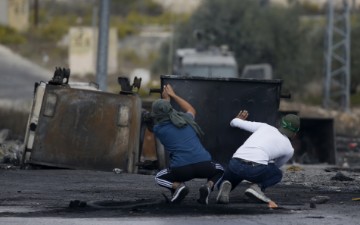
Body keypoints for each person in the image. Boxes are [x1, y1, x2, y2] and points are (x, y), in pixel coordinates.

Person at [151, 84, 224, 205]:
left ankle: (178, 187)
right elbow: (191, 109)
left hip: (181, 170)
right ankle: (208, 186)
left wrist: (165, 101)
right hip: (204, 166)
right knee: (220, 170)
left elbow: (164, 115)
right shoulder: (186, 119)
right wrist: (173, 95)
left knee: (159, 177)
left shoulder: (158, 129)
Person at [216, 110, 300, 208]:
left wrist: (237, 119)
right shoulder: (289, 149)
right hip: (255, 169)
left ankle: (225, 184)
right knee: (277, 174)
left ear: (280, 124)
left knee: (237, 171)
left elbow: (234, 122)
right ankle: (257, 188)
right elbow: (276, 166)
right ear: (295, 134)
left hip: (235, 162)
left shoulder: (264, 127)